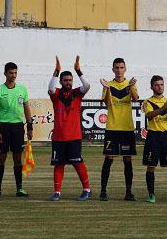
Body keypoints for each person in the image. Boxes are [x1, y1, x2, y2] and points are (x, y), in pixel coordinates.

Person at [48, 56, 92, 202]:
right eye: (65, 80)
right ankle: (57, 192)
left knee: (77, 162)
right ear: (61, 82)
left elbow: (87, 86)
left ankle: (87, 189)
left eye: (70, 80)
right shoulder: (56, 95)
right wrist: (56, 71)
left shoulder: (77, 93)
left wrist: (78, 70)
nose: (68, 82)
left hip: (74, 136)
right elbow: (50, 88)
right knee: (58, 165)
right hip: (59, 137)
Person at [99, 58, 138, 201]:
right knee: (109, 158)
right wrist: (107, 89)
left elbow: (135, 99)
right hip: (112, 127)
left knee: (127, 159)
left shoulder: (130, 83)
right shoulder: (108, 84)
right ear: (113, 69)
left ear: (125, 69)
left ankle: (128, 192)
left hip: (127, 127)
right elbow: (107, 103)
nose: (119, 70)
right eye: (117, 67)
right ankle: (103, 191)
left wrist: (132, 86)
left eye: (122, 67)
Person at [0, 62, 32, 197]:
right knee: (1, 157)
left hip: (18, 127)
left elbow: (26, 108)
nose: (13, 75)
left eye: (15, 73)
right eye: (10, 73)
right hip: (3, 126)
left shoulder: (22, 89)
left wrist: (30, 126)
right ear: (5, 74)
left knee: (17, 158)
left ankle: (19, 188)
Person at [142, 75, 167, 204]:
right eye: (157, 85)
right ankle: (151, 194)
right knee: (151, 166)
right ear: (152, 87)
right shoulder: (147, 101)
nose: (160, 87)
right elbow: (149, 115)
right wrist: (163, 109)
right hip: (153, 136)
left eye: (162, 84)